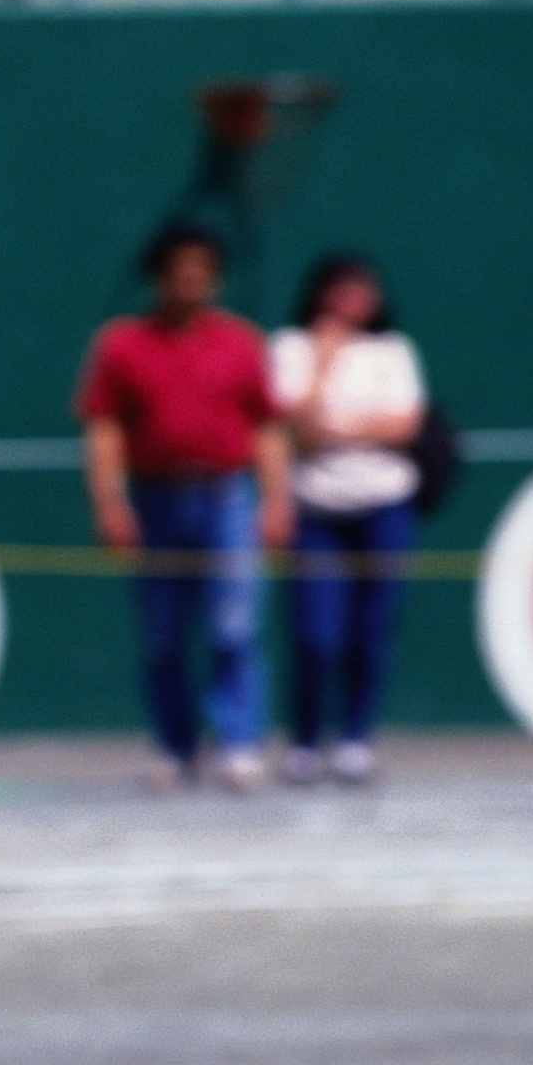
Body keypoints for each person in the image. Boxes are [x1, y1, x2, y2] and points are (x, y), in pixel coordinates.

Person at [79, 221, 293, 791]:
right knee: (162, 633)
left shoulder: (241, 341)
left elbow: (267, 428)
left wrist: (276, 501)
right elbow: (104, 430)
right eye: (179, 268)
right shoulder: (122, 343)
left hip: (227, 497)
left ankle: (240, 744)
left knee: (234, 625)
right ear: (160, 275)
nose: (191, 278)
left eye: (202, 267)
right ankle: (175, 746)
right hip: (157, 501)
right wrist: (111, 503)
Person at [271, 253, 428, 785]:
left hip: (385, 506)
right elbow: (297, 430)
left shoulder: (393, 350)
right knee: (317, 636)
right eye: (343, 289)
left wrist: (339, 428)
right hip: (316, 510)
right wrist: (324, 362)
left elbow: (406, 425)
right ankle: (306, 740)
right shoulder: (290, 348)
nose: (354, 300)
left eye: (365, 289)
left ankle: (355, 739)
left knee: (373, 631)